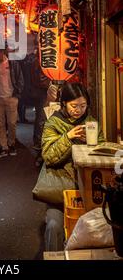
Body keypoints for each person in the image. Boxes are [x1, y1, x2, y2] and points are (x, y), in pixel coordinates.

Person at [41, 81, 105, 251]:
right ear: (64, 103)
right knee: (54, 226)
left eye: (83, 105)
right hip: (60, 190)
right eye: (74, 106)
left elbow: (101, 152)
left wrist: (92, 144)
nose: (79, 110)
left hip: (89, 189)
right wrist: (68, 138)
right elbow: (48, 157)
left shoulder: (91, 123)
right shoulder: (53, 124)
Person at [0, 49, 24, 158]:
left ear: (3, 52)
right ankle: (4, 147)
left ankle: (11, 144)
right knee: (0, 124)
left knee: (12, 123)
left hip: (11, 97)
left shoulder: (12, 63)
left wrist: (17, 94)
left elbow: (20, 79)